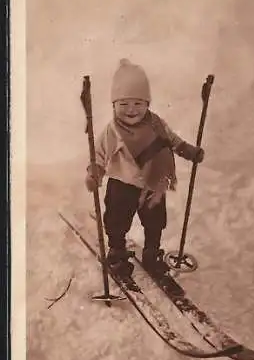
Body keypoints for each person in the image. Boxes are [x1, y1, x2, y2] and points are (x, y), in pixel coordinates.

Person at [85, 59, 204, 278]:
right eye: (123, 104)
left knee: (155, 221)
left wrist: (187, 150)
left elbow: (172, 140)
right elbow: (99, 155)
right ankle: (117, 253)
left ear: (147, 103)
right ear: (113, 105)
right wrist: (95, 172)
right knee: (117, 220)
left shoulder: (156, 123)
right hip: (122, 184)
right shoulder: (113, 131)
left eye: (138, 103)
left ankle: (151, 253)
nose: (131, 110)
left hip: (152, 185)